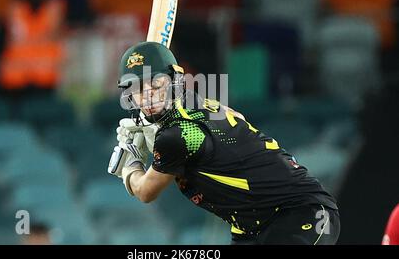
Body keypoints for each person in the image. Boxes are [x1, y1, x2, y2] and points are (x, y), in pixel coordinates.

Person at [109, 41, 340, 245]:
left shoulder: (177, 136)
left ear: (173, 81)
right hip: (249, 228)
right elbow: (235, 117)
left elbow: (145, 192)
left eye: (156, 84)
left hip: (303, 213)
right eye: (138, 89)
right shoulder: (196, 102)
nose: (148, 96)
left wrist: (132, 162)